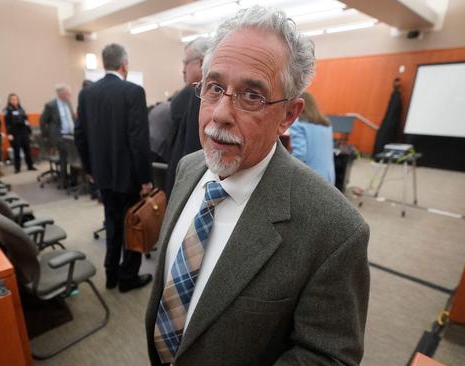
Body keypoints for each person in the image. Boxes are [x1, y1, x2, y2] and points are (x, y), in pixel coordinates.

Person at [145, 6, 370, 366]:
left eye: (252, 96)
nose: (219, 113)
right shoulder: (188, 168)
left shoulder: (336, 230)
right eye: (214, 88)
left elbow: (328, 357)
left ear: (288, 116)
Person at [75, 43, 153, 293]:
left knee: (112, 222)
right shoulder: (133, 91)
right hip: (129, 177)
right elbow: (138, 141)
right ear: (124, 65)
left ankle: (111, 274)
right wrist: (145, 179)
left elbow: (80, 135)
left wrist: (89, 169)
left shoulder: (86, 94)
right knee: (132, 224)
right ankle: (128, 277)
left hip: (101, 175)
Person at [165, 37, 211, 196]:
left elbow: (193, 149)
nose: (183, 69)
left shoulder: (195, 94)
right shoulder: (189, 94)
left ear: (203, 61)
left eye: (186, 63)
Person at [289, 91, 336, 184]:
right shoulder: (326, 124)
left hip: (311, 179)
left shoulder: (298, 124)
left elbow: (300, 155)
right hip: (329, 176)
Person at [40, 84, 77, 188]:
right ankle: (64, 181)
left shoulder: (68, 102)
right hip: (59, 136)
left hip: (71, 134)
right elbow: (43, 121)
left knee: (74, 155)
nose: (70, 95)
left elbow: (72, 117)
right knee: (64, 158)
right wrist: (46, 137)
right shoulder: (51, 105)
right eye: (67, 93)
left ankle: (73, 180)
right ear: (61, 94)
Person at [4, 93, 36, 173]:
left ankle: (30, 165)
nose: (14, 101)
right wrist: (9, 134)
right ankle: (17, 168)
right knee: (16, 151)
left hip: (24, 131)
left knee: (27, 149)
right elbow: (7, 123)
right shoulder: (8, 110)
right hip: (15, 132)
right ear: (9, 101)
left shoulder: (21, 109)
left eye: (16, 99)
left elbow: (26, 120)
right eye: (12, 99)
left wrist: (29, 131)